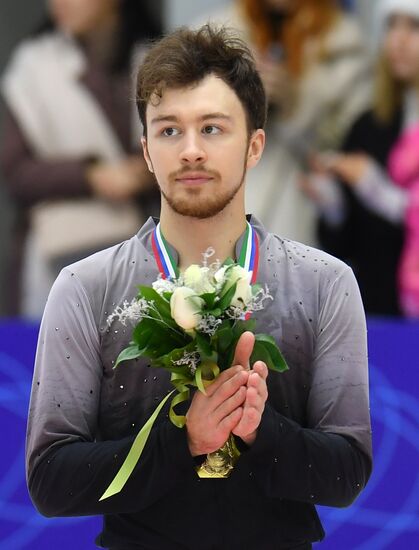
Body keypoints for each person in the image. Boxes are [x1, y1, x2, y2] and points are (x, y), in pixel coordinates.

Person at [26, 25, 372, 550]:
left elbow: (347, 473)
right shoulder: (85, 287)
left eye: (212, 129)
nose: (190, 151)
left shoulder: (324, 283)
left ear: (255, 145)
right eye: (169, 131)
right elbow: (51, 481)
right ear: (145, 151)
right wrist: (183, 438)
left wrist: (262, 431)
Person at [0, 0, 161, 319]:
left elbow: (187, 138)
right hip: (55, 255)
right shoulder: (32, 66)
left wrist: (144, 170)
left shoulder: (155, 59)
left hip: (146, 243)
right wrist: (91, 176)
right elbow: (15, 171)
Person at [197, 0, 371, 246]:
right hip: (223, 203)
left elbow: (348, 149)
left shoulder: (343, 45)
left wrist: (296, 108)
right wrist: (239, 98)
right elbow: (189, 125)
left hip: (300, 213)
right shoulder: (213, 37)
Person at [302, 0, 419, 316]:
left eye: (413, 26)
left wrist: (378, 191)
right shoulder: (370, 125)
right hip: (379, 313)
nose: (399, 38)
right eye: (391, 25)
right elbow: (347, 246)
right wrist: (333, 205)